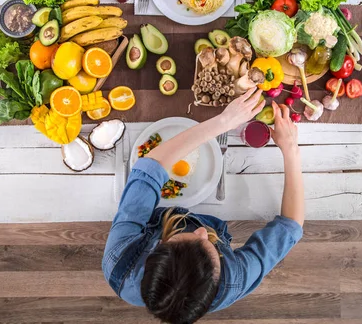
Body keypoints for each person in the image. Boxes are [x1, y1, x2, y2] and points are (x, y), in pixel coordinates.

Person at [102, 88, 304, 324]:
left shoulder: (119, 260)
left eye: (182, 239)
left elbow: (149, 167)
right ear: (217, 280)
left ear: (155, 250)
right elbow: (291, 225)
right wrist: (291, 150)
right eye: (212, 249)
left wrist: (224, 121)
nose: (201, 231)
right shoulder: (234, 280)